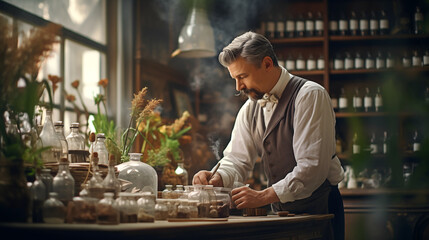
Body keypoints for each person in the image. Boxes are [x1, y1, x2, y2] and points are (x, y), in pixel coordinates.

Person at [192, 31, 345, 239]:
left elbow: (312, 167)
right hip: (281, 215)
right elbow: (236, 159)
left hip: (320, 211)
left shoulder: (310, 96)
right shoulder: (250, 108)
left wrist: (263, 196)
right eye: (235, 79)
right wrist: (218, 178)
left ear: (266, 64)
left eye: (242, 76)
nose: (238, 87)